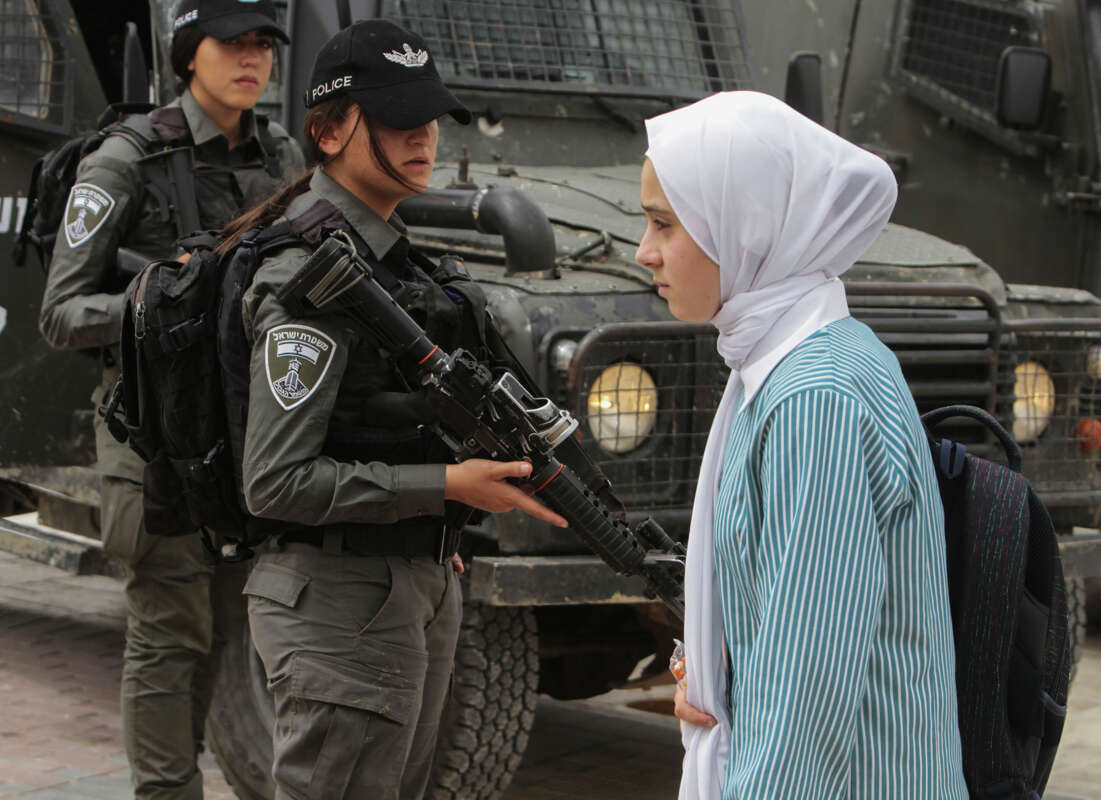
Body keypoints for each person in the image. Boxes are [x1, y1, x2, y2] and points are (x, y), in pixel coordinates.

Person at [224, 20, 568, 799]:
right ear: (329, 129)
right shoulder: (309, 277)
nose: (423, 134)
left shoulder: (389, 256)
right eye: (395, 116)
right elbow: (274, 483)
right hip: (338, 598)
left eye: (429, 115)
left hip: (402, 582)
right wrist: (447, 488)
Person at [637, 91, 970, 799]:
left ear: (743, 226)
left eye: (665, 224)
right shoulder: (791, 358)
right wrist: (719, 666)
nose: (645, 252)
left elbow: (806, 688)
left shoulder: (813, 396)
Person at [37, 2, 305, 796]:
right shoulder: (127, 159)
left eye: (263, 44)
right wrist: (169, 309)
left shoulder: (279, 150)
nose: (252, 60)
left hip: (238, 433)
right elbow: (61, 312)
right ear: (191, 53)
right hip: (149, 437)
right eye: (234, 44)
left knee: (232, 624)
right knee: (168, 631)